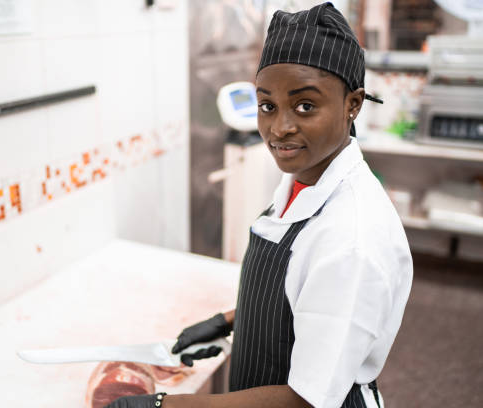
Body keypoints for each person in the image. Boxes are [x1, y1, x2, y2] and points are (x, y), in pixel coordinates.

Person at [105, 2, 412, 407]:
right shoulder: (304, 179)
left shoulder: (350, 239)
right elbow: (298, 297)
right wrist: (229, 321)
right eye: (267, 105)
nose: (279, 128)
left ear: (352, 104)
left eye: (305, 106)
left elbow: (306, 399)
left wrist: (165, 405)